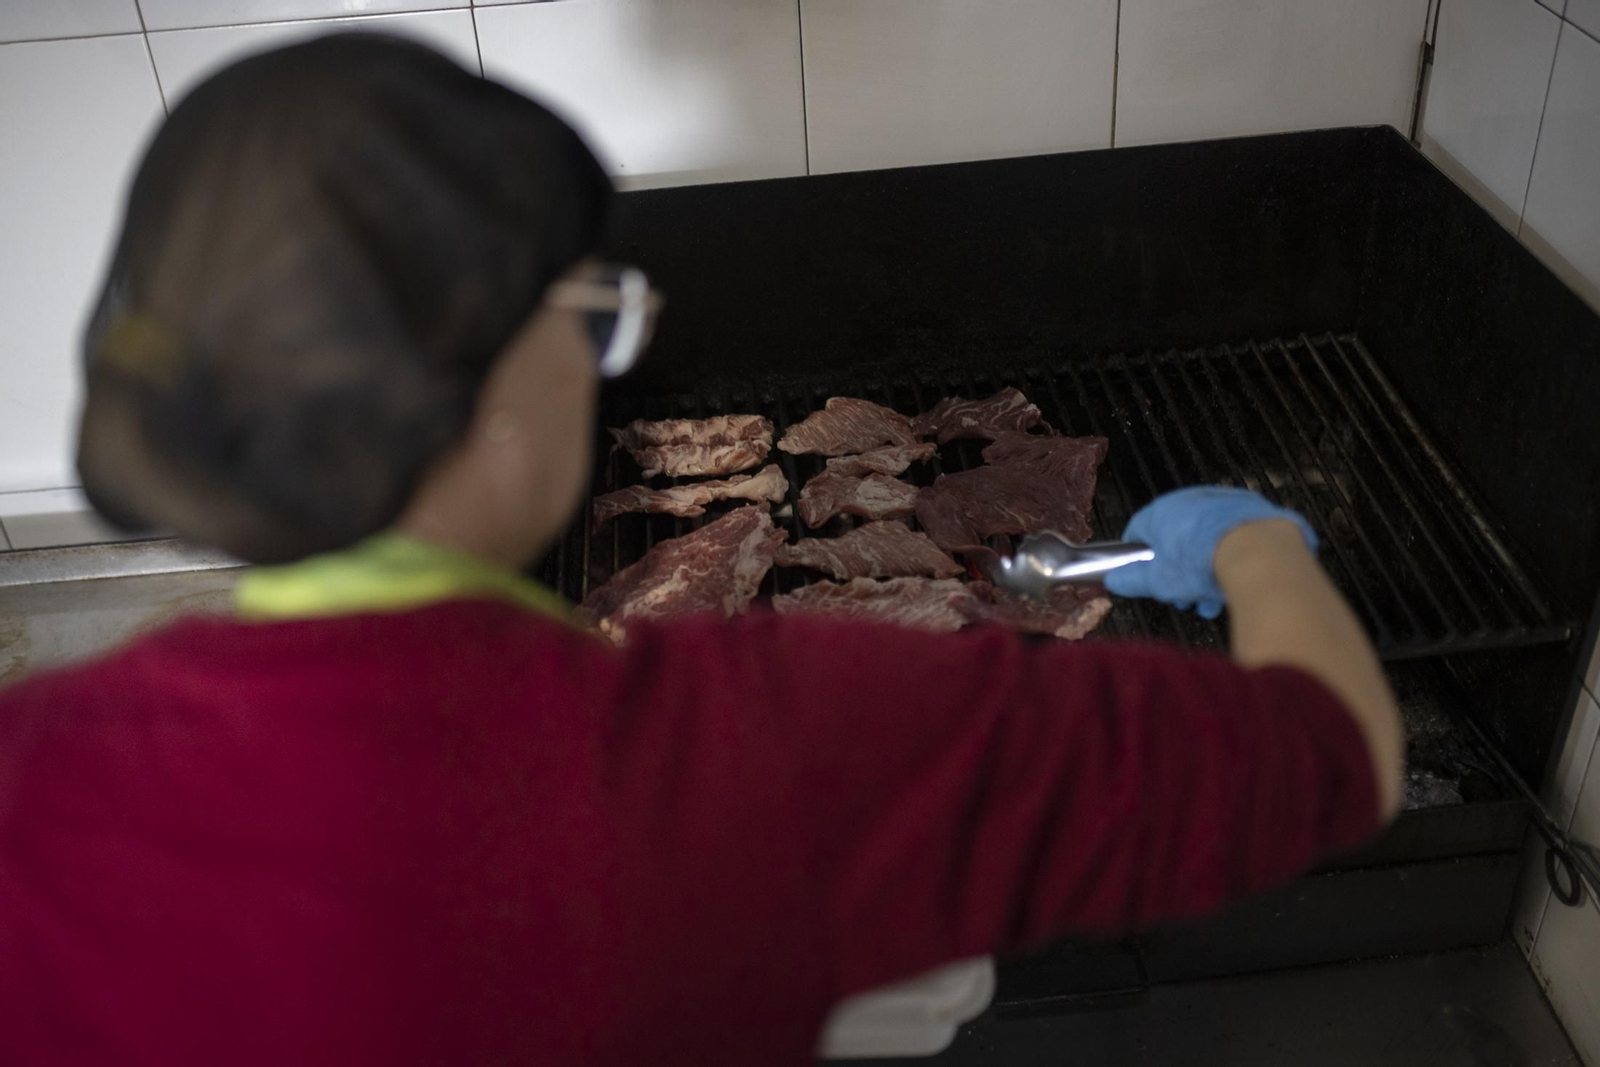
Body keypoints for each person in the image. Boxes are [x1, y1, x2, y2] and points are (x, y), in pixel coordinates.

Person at [0, 35, 1402, 1067]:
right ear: (486, 386)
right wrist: (1255, 548)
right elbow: (1335, 755)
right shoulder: (766, 746)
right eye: (589, 313)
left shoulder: (29, 774)